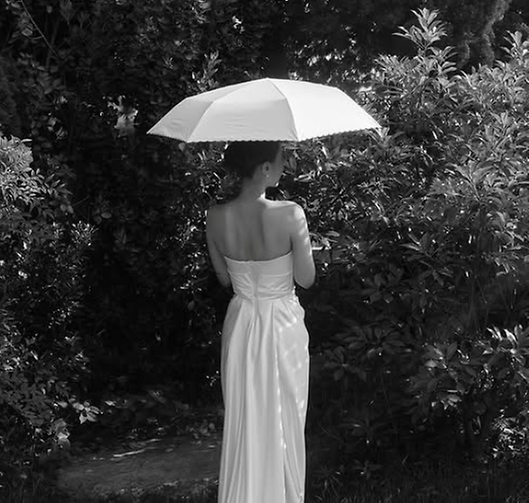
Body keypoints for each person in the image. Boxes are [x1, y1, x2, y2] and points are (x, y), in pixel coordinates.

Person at [206, 141, 315, 503]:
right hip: (281, 322)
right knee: (284, 418)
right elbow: (305, 278)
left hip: (241, 323)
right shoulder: (291, 214)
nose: (284, 167)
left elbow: (224, 278)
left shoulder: (215, 216)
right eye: (281, 160)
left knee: (244, 418)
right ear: (265, 168)